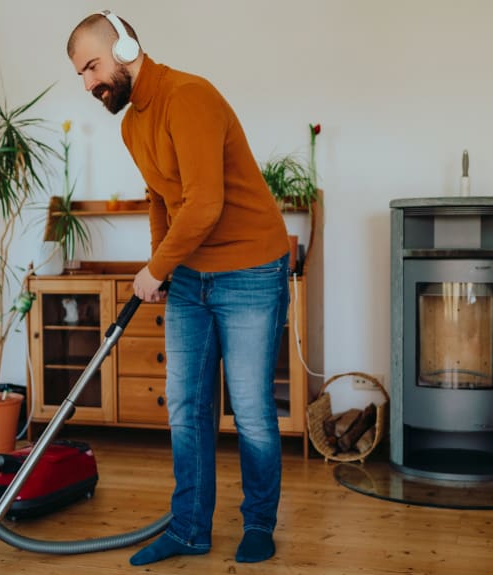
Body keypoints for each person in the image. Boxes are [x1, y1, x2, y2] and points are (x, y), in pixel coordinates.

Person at [67, 11, 291, 566]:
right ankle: (190, 529)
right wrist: (162, 267)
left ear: (124, 47)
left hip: (250, 270)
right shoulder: (130, 124)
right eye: (80, 75)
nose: (90, 84)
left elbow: (205, 204)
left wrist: (156, 269)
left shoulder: (189, 96)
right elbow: (162, 200)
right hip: (191, 275)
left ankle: (259, 524)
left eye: (92, 66)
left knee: (252, 410)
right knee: (187, 408)